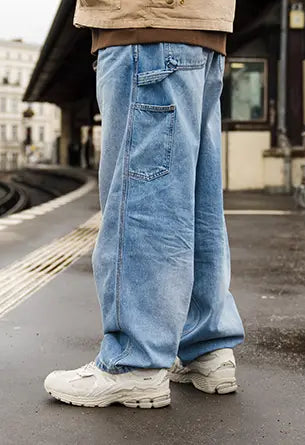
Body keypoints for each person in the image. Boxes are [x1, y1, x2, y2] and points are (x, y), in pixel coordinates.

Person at [44, 0, 245, 408]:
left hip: (147, 24)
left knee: (144, 201)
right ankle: (206, 346)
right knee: (194, 198)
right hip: (202, 28)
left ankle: (134, 364)